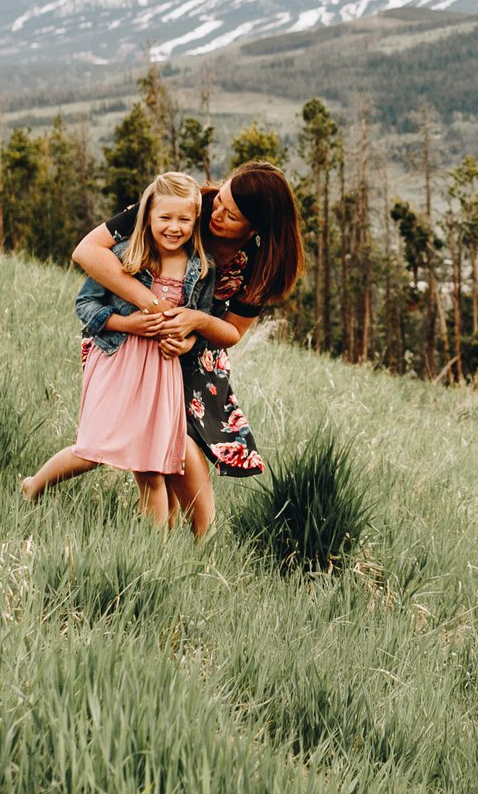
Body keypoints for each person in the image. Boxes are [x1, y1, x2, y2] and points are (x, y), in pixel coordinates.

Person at [64, 160, 303, 537]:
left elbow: (232, 331)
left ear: (256, 227)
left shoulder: (260, 263)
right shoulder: (183, 205)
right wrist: (155, 307)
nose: (216, 213)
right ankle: (175, 531)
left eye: (232, 215)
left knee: (184, 431)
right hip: (133, 332)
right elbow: (87, 252)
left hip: (199, 345)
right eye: (220, 198)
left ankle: (198, 539)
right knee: (169, 434)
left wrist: (195, 325)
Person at [22, 171, 213, 525]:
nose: (174, 227)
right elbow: (86, 306)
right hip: (118, 358)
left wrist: (184, 341)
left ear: (195, 220)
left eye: (184, 219)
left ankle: (155, 553)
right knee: (92, 451)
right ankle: (33, 486)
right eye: (165, 218)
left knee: (152, 465)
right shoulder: (126, 255)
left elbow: (199, 323)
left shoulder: (199, 269)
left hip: (161, 369)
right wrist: (127, 323)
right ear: (147, 215)